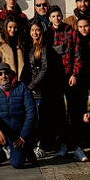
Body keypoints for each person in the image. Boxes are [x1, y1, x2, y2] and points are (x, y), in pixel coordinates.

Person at [48, 5, 86, 161]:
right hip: (55, 78)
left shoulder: (71, 31)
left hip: (70, 76)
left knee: (74, 112)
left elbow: (78, 54)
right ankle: (63, 143)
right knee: (59, 113)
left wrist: (75, 74)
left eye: (58, 15)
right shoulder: (47, 34)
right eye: (53, 16)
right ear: (50, 19)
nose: (57, 18)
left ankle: (77, 146)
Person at [0, 62, 35, 169]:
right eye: (0, 74)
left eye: (6, 73)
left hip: (18, 133)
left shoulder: (23, 87)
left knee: (17, 164)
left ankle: (27, 149)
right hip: (4, 130)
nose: (3, 76)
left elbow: (31, 113)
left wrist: (23, 135)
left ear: (11, 74)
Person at [25, 20, 56, 158]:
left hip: (41, 89)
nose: (35, 33)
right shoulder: (30, 46)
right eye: (32, 30)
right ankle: (35, 144)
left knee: (42, 119)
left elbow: (45, 69)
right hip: (32, 89)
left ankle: (43, 146)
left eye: (37, 30)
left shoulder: (44, 47)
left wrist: (32, 85)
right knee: (33, 119)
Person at [0, 17, 27, 86]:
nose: (12, 30)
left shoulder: (21, 42)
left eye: (15, 27)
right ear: (6, 27)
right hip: (5, 80)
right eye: (10, 27)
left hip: (20, 80)